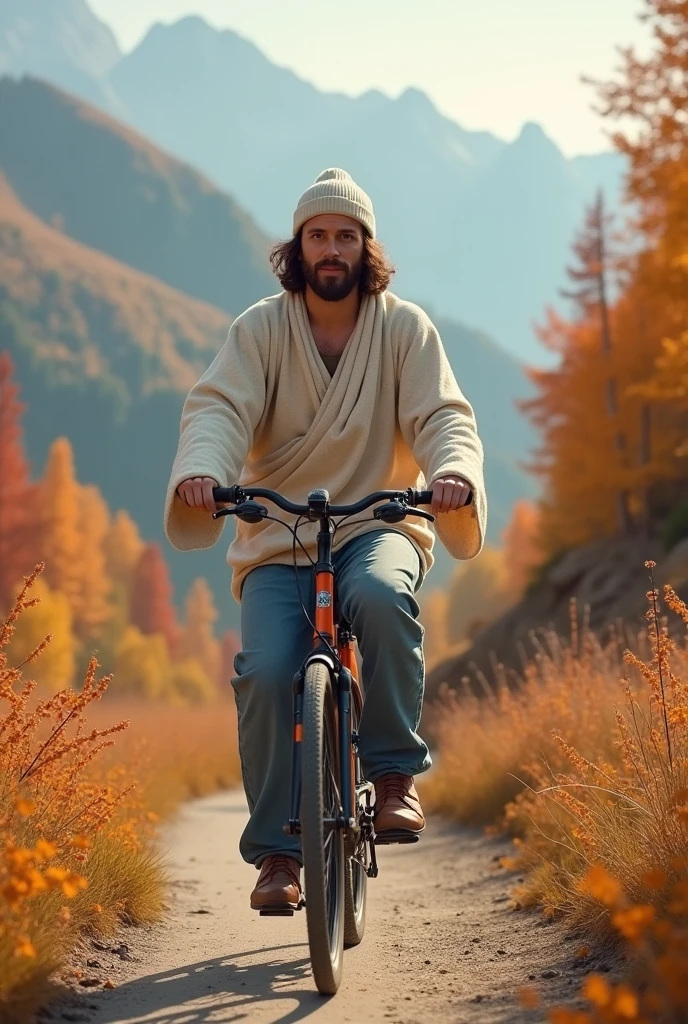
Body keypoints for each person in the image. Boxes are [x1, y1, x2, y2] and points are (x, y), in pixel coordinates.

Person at [164, 168, 487, 912]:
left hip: (381, 521)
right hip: (280, 537)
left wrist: (452, 473)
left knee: (379, 595)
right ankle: (279, 855)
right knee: (271, 667)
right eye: (318, 235)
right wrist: (203, 471)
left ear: (365, 247)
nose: (331, 248)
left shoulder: (405, 329)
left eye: (345, 235)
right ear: (298, 248)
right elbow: (218, 408)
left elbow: (444, 415)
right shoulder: (260, 329)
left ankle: (396, 775)